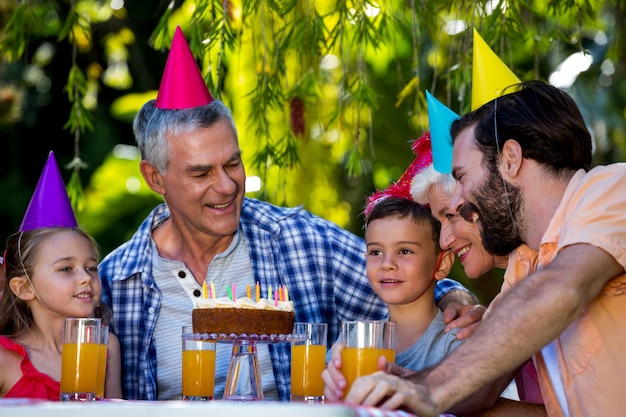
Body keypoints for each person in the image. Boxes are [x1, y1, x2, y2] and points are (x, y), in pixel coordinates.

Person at [98, 26, 480, 401]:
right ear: (154, 177)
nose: (228, 186)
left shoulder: (301, 240)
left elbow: (408, 279)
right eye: (201, 173)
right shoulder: (117, 280)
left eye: (233, 164)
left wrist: (454, 298)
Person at [342, 80, 626, 416]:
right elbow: (481, 389)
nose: (460, 199)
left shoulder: (610, 188)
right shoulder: (526, 264)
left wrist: (428, 389)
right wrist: (404, 385)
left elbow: (559, 288)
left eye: (461, 176)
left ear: (510, 159)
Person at [0, 153, 122, 400]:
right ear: (23, 288)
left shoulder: (106, 347)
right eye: (66, 269)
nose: (86, 278)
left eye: (91, 267)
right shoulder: (4, 359)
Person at [322, 194, 462, 394]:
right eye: (376, 252)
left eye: (404, 251)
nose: (386, 264)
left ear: (443, 264)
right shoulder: (355, 340)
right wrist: (331, 385)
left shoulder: (457, 344)